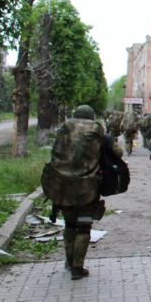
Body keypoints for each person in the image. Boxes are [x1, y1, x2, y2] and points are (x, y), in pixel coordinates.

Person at [41, 105, 123, 280]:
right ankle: (78, 267)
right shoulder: (98, 132)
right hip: (88, 187)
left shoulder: (63, 131)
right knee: (84, 226)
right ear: (91, 117)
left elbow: (54, 155)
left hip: (62, 185)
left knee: (69, 224)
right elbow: (118, 152)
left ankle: (69, 261)